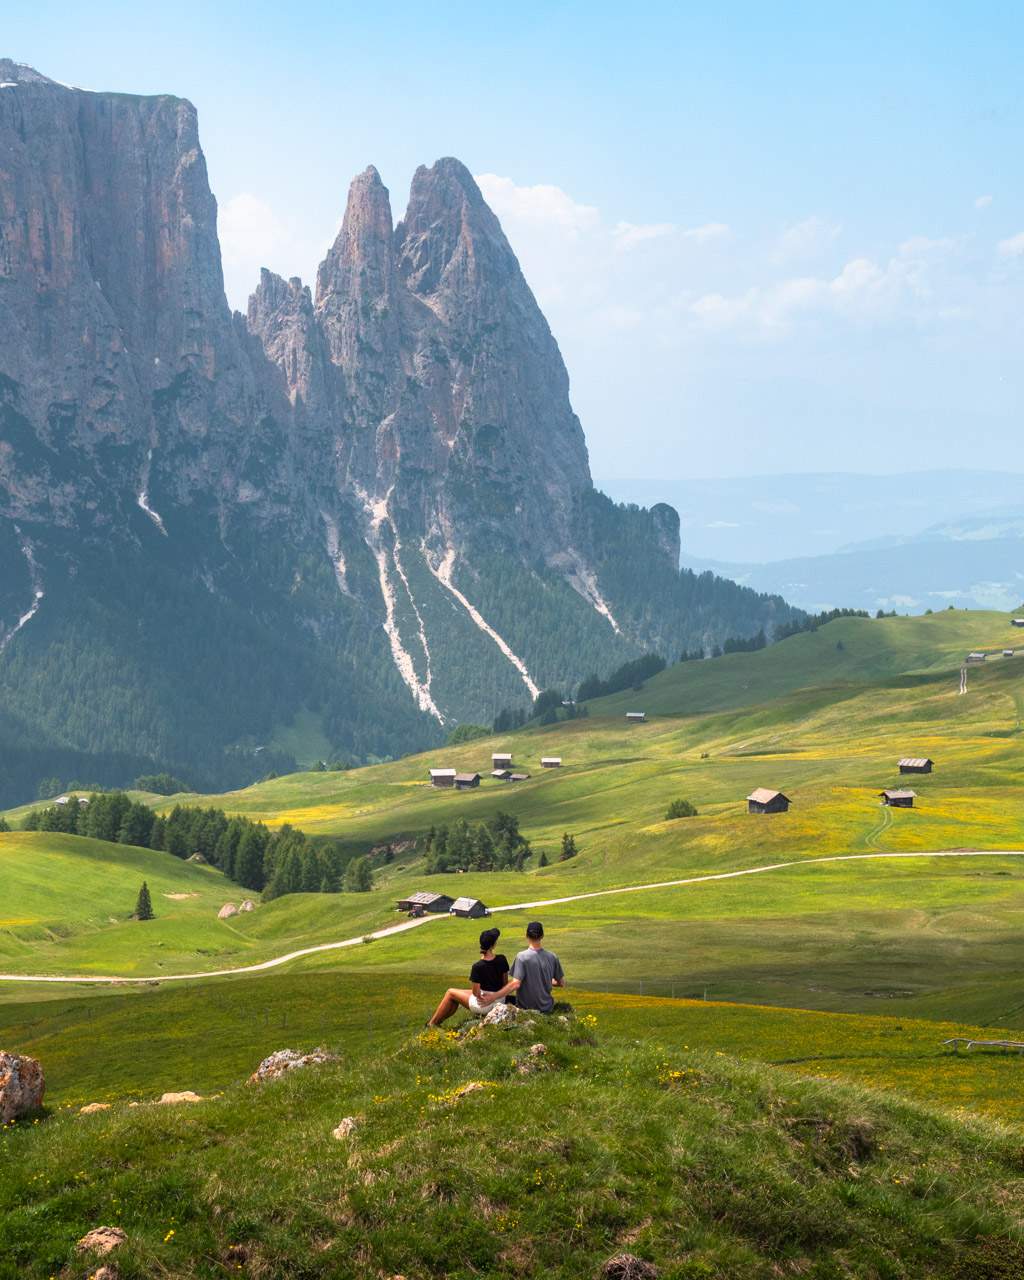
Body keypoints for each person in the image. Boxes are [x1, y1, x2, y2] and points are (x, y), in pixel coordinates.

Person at [426, 926, 514, 1026]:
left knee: (450, 993)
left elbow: (476, 993)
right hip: (500, 999)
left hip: (484, 1005)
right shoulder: (502, 959)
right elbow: (505, 984)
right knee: (457, 995)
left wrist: (485, 997)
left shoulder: (477, 966)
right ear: (493, 945)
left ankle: (432, 1024)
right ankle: (437, 1022)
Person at [510, 920, 564, 1013]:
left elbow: (515, 983)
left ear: (526, 935)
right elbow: (561, 983)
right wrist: (546, 981)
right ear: (542, 936)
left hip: (525, 1008)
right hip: (547, 1008)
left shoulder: (521, 957)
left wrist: (495, 996)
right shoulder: (552, 956)